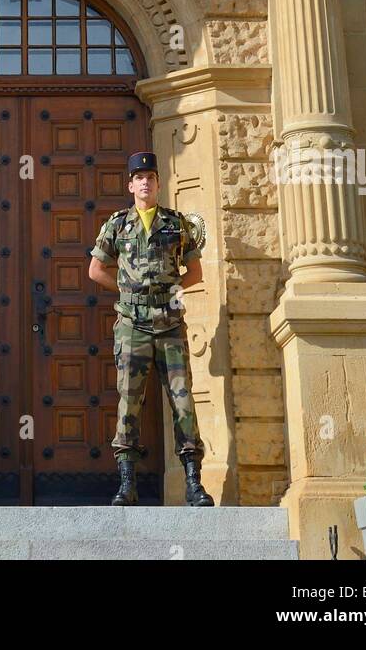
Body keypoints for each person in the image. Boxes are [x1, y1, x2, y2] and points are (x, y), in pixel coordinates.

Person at [88, 151, 214, 507]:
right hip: (132, 327)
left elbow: (196, 273)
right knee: (130, 401)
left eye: (151, 177)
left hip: (170, 326)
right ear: (130, 185)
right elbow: (96, 270)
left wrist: (170, 292)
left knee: (183, 401)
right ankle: (127, 485)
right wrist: (127, 291)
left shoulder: (177, 224)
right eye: (139, 177)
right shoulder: (117, 224)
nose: (145, 182)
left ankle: (193, 483)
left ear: (159, 184)